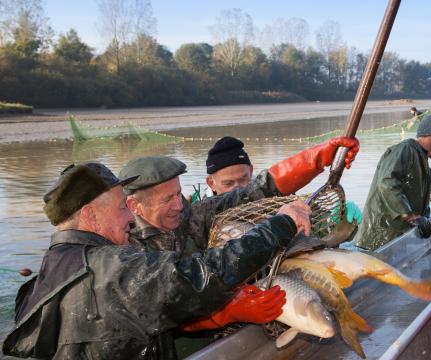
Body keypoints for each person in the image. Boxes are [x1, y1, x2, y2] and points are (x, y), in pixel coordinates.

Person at [2, 162, 311, 359]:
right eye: (122, 207)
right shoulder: (112, 269)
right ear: (89, 216)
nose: (130, 217)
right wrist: (282, 223)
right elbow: (205, 274)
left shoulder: (47, 272)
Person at [119, 136, 359, 255]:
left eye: (178, 194)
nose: (178, 205)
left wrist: (319, 158)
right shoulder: (124, 246)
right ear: (135, 206)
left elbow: (259, 190)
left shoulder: (193, 215)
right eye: (166, 200)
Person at [202, 136, 363, 224]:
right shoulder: (200, 213)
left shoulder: (271, 201)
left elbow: (266, 186)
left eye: (243, 179)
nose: (238, 188)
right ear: (211, 183)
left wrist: (336, 220)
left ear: (251, 171)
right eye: (228, 183)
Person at [353, 114, 431, 250]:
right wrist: (410, 216)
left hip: (396, 240)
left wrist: (424, 220)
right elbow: (386, 182)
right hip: (377, 238)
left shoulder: (427, 169)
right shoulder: (405, 150)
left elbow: (421, 207)